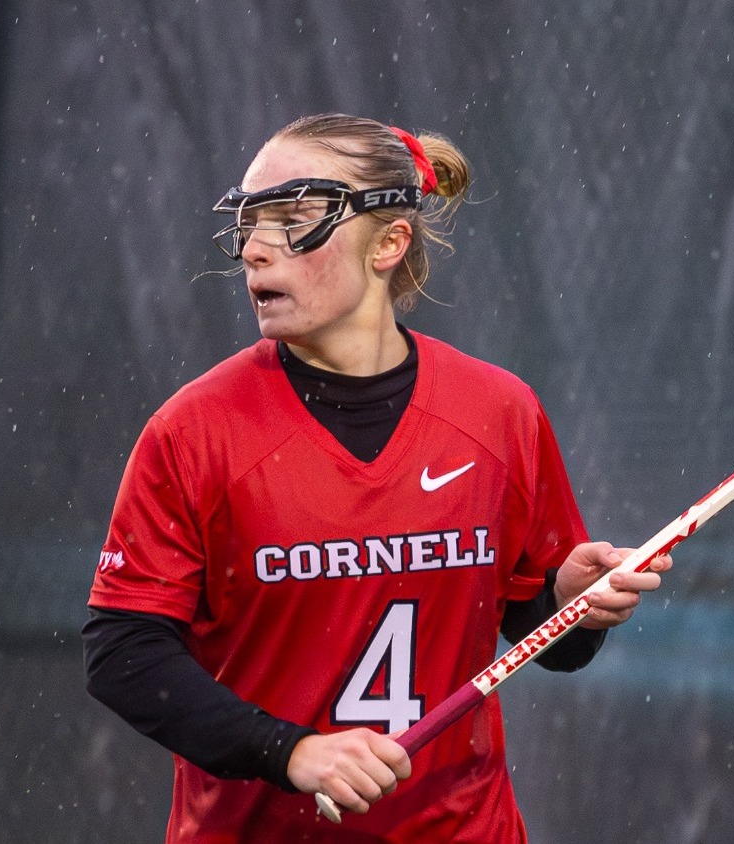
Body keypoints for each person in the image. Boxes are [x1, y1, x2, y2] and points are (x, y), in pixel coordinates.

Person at [84, 112, 670, 842]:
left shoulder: (499, 412)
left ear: (389, 243)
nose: (258, 250)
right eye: (250, 222)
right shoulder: (193, 431)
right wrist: (288, 750)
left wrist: (568, 602)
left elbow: (538, 634)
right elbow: (123, 656)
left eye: (294, 218)